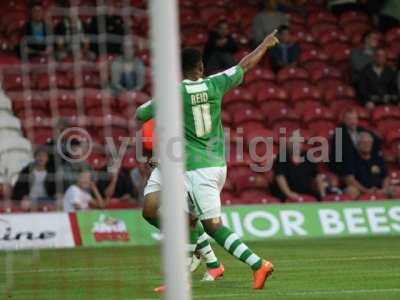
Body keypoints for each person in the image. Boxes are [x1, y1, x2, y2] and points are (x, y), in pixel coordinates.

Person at [136, 30, 280, 291]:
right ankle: (188, 273)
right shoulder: (215, 83)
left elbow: (140, 113)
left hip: (196, 168)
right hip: (207, 164)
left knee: (212, 226)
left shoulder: (173, 93)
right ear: (201, 67)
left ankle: (258, 264)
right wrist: (264, 44)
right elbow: (244, 64)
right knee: (172, 213)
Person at [271, 133, 326, 201]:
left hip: (305, 191)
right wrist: (289, 193)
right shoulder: (281, 158)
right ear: (288, 144)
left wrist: (322, 194)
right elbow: (280, 178)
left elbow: (318, 176)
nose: (296, 145)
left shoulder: (309, 157)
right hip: (285, 194)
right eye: (293, 142)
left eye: (298, 142)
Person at [344, 132, 396, 199]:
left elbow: (385, 177)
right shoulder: (350, 158)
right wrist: (366, 191)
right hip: (361, 189)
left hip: (379, 189)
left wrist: (383, 189)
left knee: (395, 190)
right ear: (357, 144)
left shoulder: (378, 158)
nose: (367, 145)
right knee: (351, 190)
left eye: (369, 142)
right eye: (363, 143)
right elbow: (349, 180)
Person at [330, 109, 381, 176]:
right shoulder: (339, 133)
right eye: (349, 119)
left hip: (361, 164)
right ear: (344, 120)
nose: (352, 122)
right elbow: (338, 157)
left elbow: (376, 140)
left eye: (354, 119)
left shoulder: (361, 129)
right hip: (346, 167)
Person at [12, 147, 56, 211]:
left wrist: (58, 194)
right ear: (34, 157)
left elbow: (55, 189)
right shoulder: (27, 171)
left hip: (46, 199)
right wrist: (24, 196)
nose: (41, 158)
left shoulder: (52, 172)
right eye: (39, 155)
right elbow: (18, 188)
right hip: (31, 199)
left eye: (44, 156)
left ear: (47, 158)